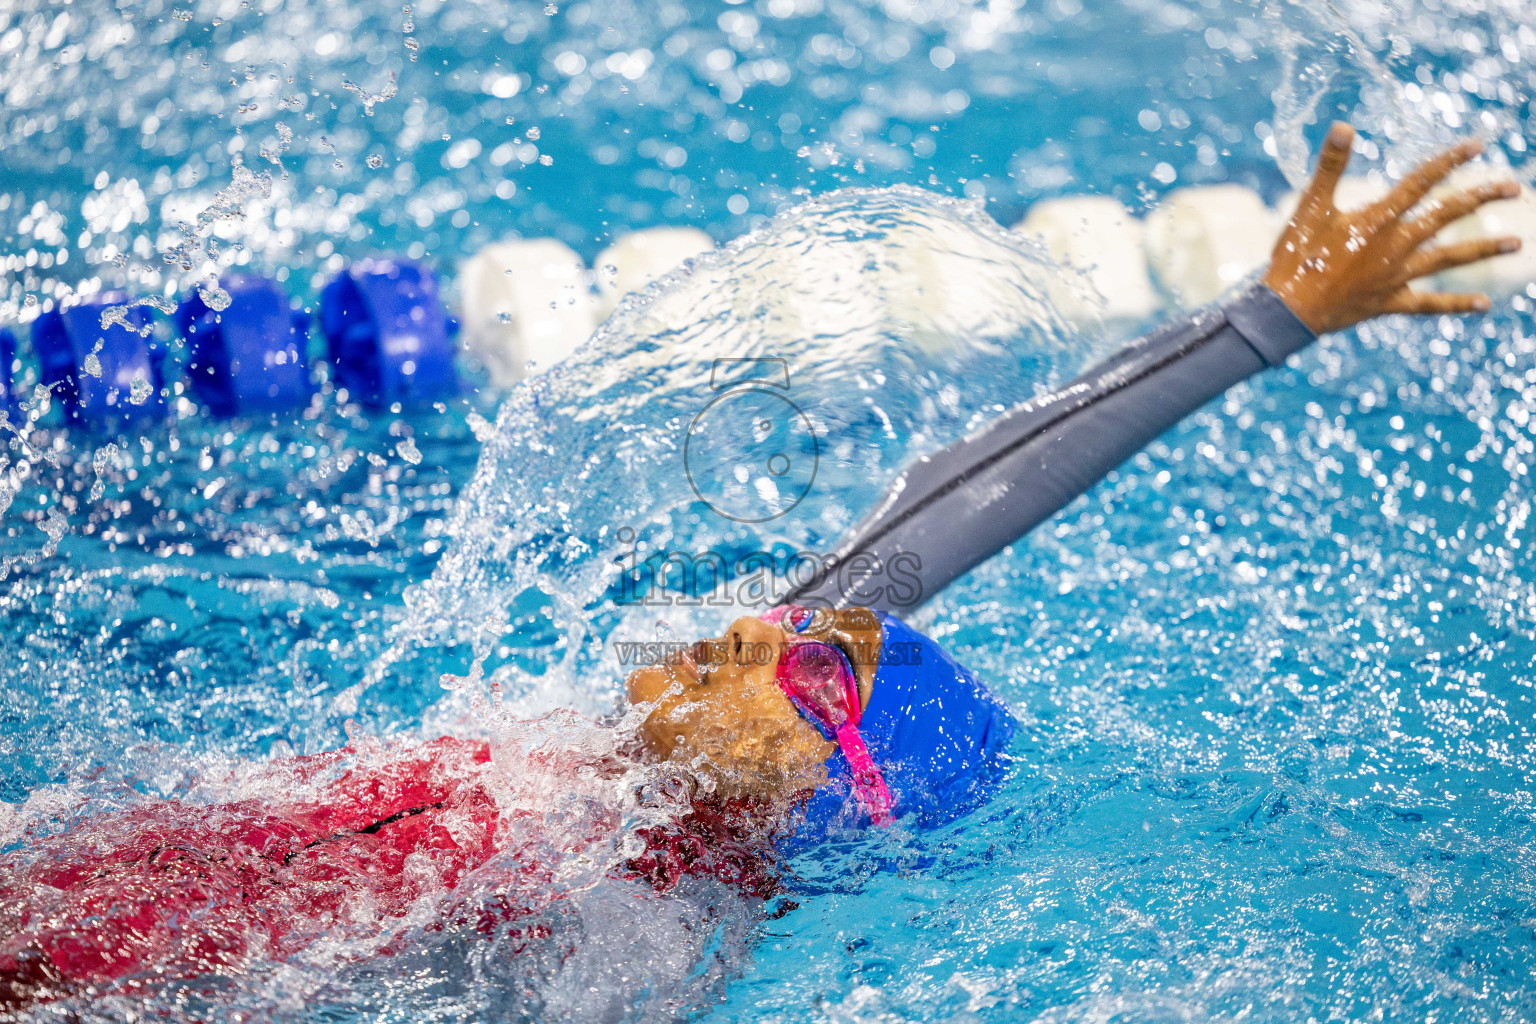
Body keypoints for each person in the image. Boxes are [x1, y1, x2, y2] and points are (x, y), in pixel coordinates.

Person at [0, 124, 1522, 1008]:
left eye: (808, 671)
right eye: (812, 626)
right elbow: (970, 500)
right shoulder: (637, 754)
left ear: (822, 787)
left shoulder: (635, 940)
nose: (757, 633)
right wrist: (1269, 322)